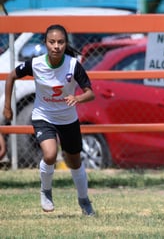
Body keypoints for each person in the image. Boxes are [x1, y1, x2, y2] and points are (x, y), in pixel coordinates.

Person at [3, 24, 96, 216]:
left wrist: (77, 98)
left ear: (65, 44)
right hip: (43, 117)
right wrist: (7, 107)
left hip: (68, 119)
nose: (56, 46)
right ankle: (46, 191)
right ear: (45, 43)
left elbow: (90, 93)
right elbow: (12, 76)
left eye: (60, 42)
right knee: (50, 154)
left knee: (75, 162)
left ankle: (84, 199)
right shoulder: (36, 63)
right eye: (52, 42)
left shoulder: (73, 65)